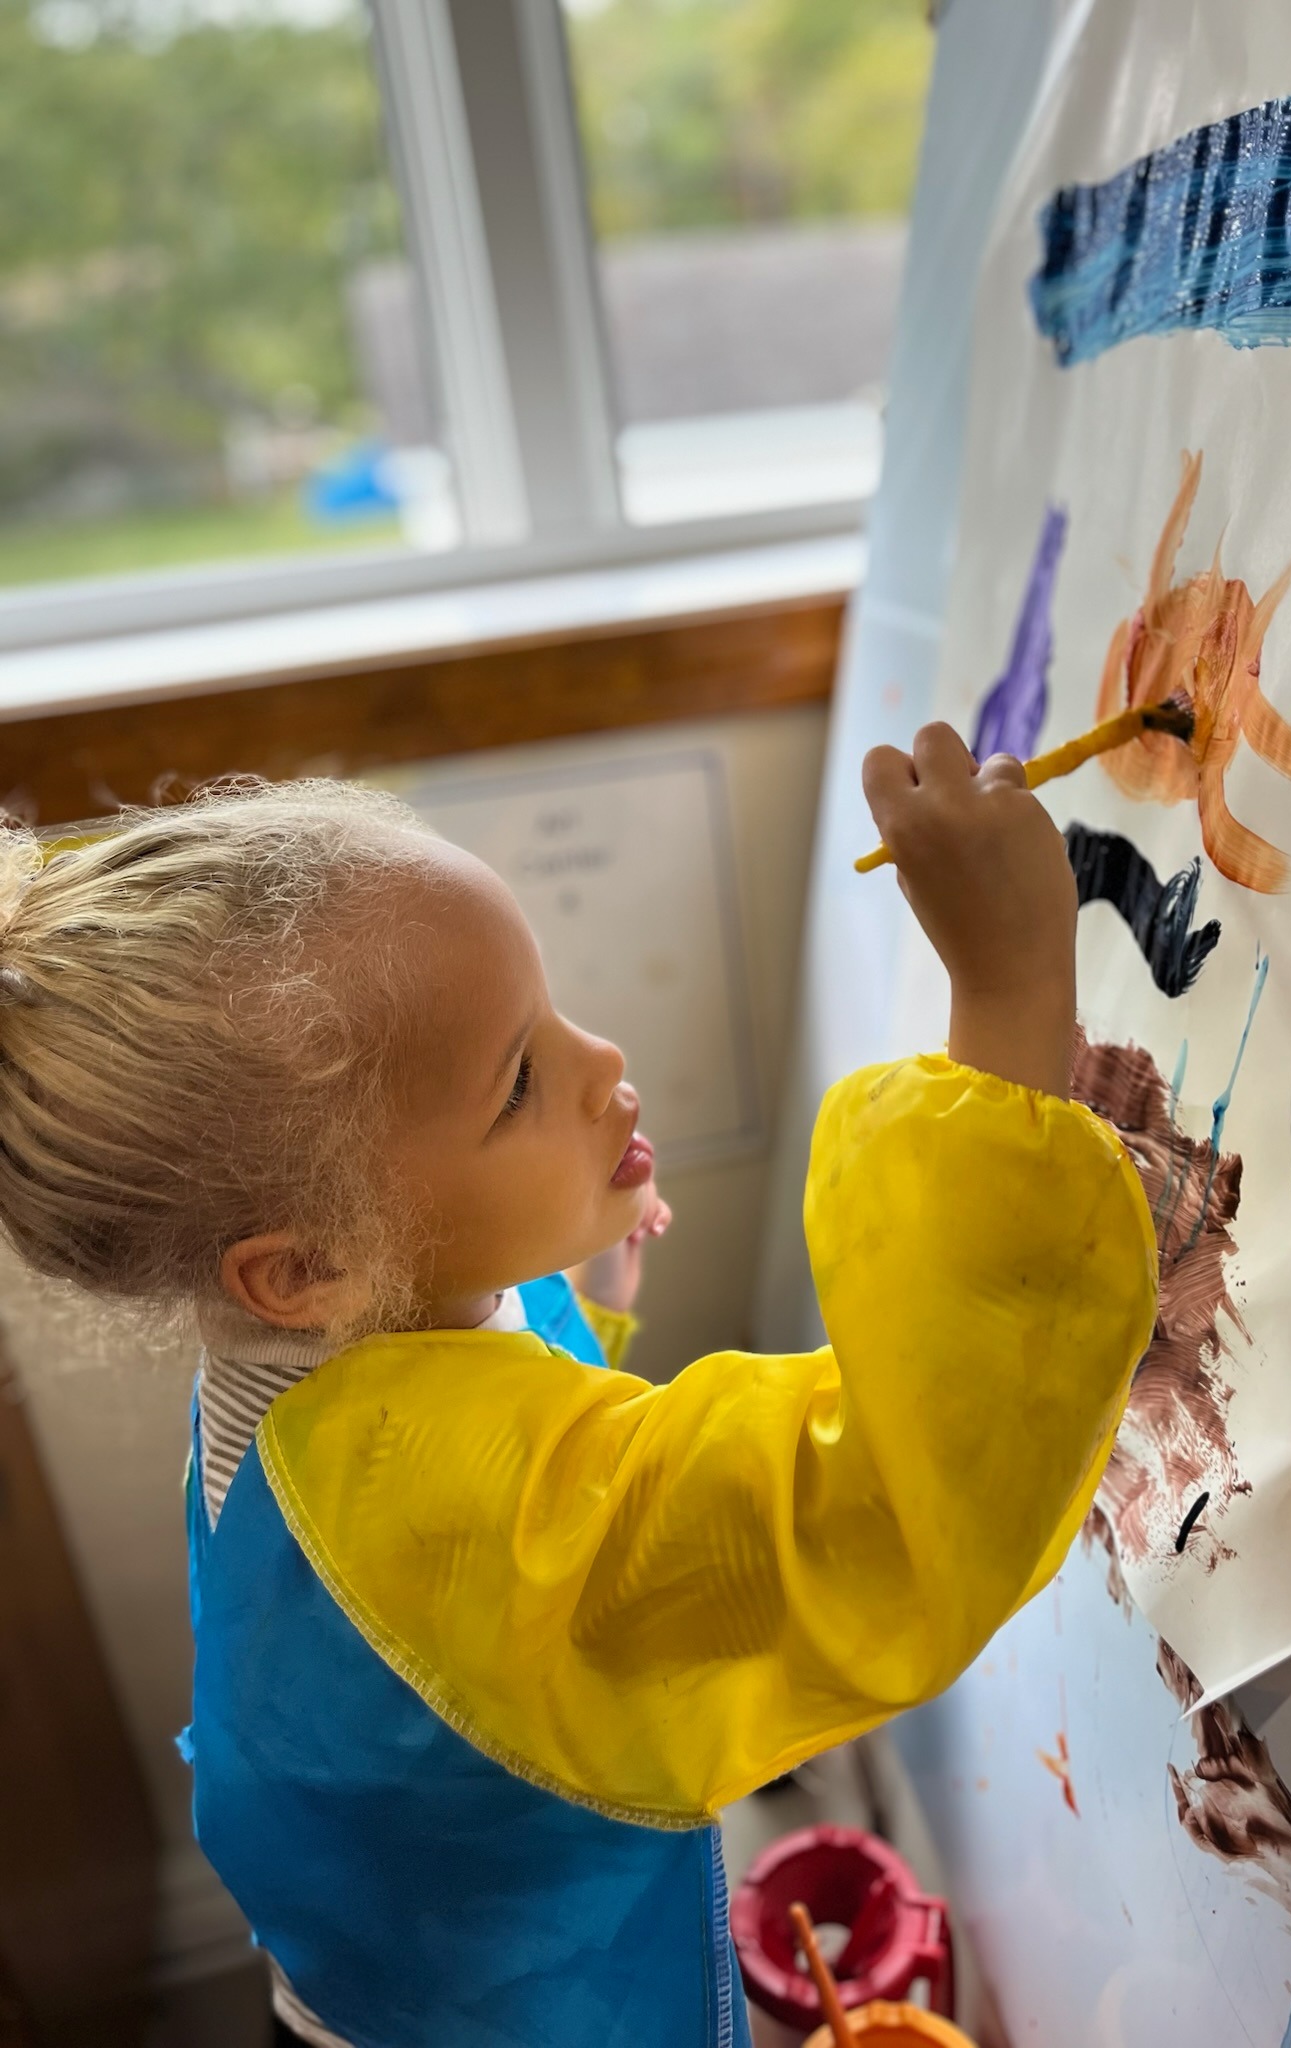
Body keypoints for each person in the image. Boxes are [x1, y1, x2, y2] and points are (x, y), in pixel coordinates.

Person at [0, 726, 1157, 2048]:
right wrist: (1007, 995)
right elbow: (876, 1512)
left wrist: (580, 1308)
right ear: (311, 1263)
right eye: (520, 1083)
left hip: (369, 1957)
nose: (602, 1060)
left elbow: (479, 1474)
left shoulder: (299, 1359)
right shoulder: (436, 1514)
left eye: (550, 1012)